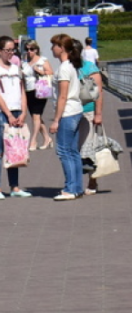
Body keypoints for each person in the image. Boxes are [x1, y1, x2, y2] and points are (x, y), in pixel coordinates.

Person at [0, 36, 31, 199]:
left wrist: (24, 112)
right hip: (1, 113)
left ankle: (15, 187)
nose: (11, 53)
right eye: (8, 50)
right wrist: (9, 114)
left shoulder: (15, 68)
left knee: (15, 150)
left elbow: (22, 91)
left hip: (17, 111)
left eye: (13, 50)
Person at [48, 34, 85, 201]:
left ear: (61, 48)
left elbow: (63, 96)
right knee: (73, 151)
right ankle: (77, 187)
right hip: (76, 110)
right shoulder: (72, 65)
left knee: (64, 151)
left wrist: (56, 120)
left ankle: (70, 188)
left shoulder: (64, 67)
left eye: (54, 46)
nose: (52, 49)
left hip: (68, 112)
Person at [72, 40, 106, 195]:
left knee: (89, 148)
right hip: (71, 113)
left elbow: (98, 92)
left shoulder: (89, 68)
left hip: (88, 111)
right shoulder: (67, 67)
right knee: (74, 149)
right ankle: (75, 183)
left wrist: (98, 114)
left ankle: (93, 181)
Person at [22, 41, 54, 150]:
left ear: (36, 50)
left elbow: (50, 72)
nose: (29, 52)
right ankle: (47, 138)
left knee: (36, 116)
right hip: (28, 91)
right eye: (27, 49)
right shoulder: (25, 61)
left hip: (40, 89)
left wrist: (39, 71)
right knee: (36, 117)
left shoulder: (42, 60)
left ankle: (33, 140)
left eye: (31, 49)